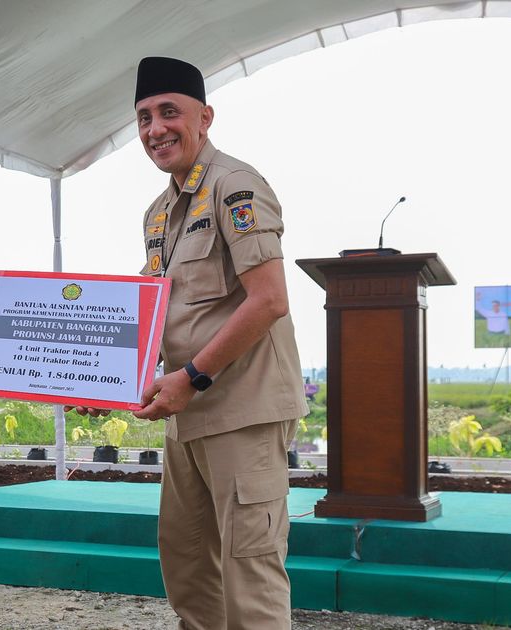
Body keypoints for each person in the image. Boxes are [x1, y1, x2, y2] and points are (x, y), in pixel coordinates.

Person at [129, 57, 308, 629]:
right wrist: (108, 380)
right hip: (188, 415)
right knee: (187, 565)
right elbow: (153, 314)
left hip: (241, 410)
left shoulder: (236, 186)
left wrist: (192, 377)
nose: (155, 128)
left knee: (249, 573)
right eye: (143, 117)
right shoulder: (159, 213)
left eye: (169, 112)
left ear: (204, 117)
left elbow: (269, 299)